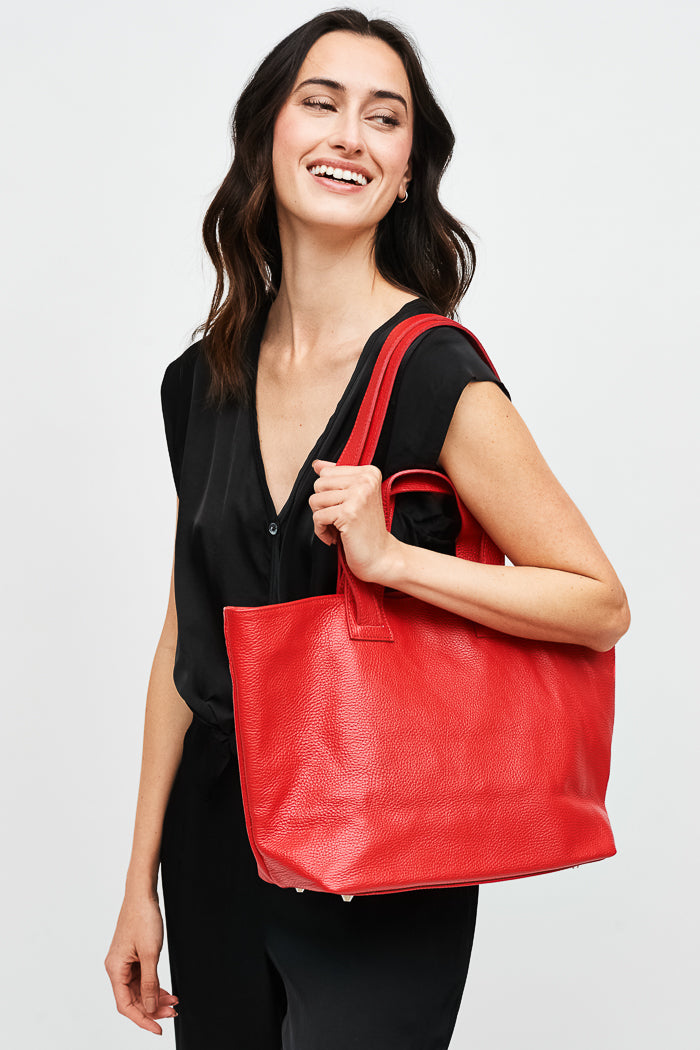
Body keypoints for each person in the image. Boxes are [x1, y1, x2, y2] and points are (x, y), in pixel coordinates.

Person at [104, 8, 630, 1048]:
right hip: (212, 849)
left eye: (384, 118)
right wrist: (137, 883)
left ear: (405, 175)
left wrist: (392, 562)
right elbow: (182, 639)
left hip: (382, 835)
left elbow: (597, 604)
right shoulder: (198, 382)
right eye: (321, 103)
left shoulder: (433, 369)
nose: (350, 134)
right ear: (267, 136)